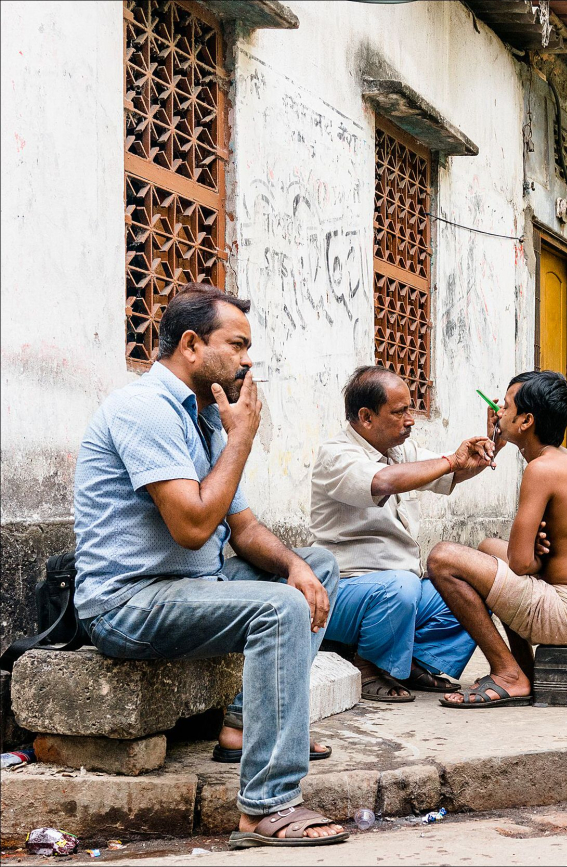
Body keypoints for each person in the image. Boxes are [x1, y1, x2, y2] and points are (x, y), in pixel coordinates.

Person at [73, 284, 347, 848]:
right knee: (281, 608)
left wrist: (295, 566)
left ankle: (242, 726)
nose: (248, 361)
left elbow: (241, 529)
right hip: (129, 604)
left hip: (193, 587)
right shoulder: (144, 409)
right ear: (192, 345)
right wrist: (241, 438)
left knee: (315, 566)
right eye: (238, 345)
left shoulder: (204, 418)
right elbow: (194, 527)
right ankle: (268, 805)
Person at [426, 371, 567, 707]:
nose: (498, 412)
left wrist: (534, 559)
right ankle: (524, 668)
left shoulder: (540, 470)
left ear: (526, 421)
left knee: (442, 558)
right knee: (487, 548)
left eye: (507, 406)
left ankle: (508, 674)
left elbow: (521, 563)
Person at [310, 366, 494, 702]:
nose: (410, 420)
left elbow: (448, 473)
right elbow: (383, 481)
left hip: (399, 590)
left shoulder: (399, 450)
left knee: (479, 586)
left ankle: (412, 662)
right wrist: (451, 461)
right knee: (401, 586)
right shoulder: (335, 454)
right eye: (399, 412)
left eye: (410, 409)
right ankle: (368, 667)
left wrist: (492, 444)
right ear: (366, 417)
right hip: (344, 593)